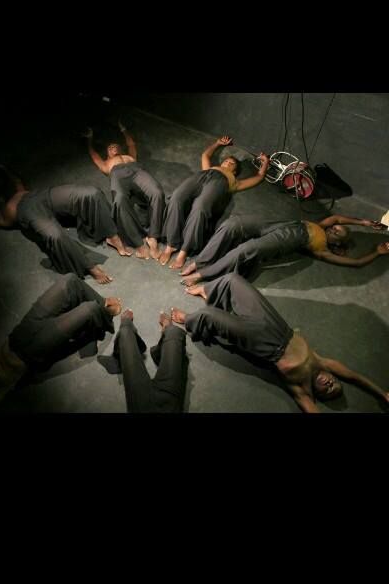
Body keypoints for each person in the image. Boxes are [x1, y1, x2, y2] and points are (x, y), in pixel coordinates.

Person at [171, 273, 389, 414]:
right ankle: (207, 290)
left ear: (317, 394)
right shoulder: (322, 363)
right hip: (278, 326)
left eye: (328, 390)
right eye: (335, 383)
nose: (330, 383)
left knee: (209, 316)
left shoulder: (302, 389)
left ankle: (188, 320)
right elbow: (355, 376)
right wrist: (382, 394)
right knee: (233, 280)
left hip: (264, 342)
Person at [0, 274, 122, 410]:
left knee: (69, 282)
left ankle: (103, 306)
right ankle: (106, 315)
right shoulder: (1, 389)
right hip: (33, 352)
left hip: (20, 333)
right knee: (88, 310)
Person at [0, 161, 128, 284]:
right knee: (55, 236)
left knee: (91, 193)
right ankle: (90, 268)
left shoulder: (19, 191)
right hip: (29, 213)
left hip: (40, 197)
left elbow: (16, 180)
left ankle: (111, 235)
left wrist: (4, 169)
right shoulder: (4, 215)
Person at [179, 213, 389, 287]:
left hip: (296, 237)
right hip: (287, 223)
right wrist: (363, 222)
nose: (333, 227)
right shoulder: (323, 225)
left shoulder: (323, 249)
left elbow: (356, 263)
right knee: (234, 223)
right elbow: (338, 218)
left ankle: (203, 274)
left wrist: (377, 253)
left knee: (247, 249)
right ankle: (200, 261)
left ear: (336, 244)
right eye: (334, 228)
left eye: (336, 232)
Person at [159, 136, 270, 270]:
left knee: (200, 208)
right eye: (226, 161)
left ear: (234, 171)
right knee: (177, 198)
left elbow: (259, 177)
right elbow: (205, 155)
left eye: (231, 164)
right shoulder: (210, 168)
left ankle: (184, 251)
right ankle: (171, 245)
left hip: (220, 183)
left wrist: (265, 162)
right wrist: (217, 143)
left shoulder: (234, 181)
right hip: (201, 177)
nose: (227, 163)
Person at [82, 120, 166, 260]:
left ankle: (153, 238)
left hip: (137, 171)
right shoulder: (106, 163)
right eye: (110, 148)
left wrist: (124, 130)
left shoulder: (130, 157)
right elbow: (94, 154)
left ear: (121, 149)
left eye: (116, 145)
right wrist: (89, 140)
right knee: (119, 201)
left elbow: (131, 144)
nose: (113, 147)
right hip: (117, 174)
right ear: (107, 154)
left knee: (157, 192)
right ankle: (138, 243)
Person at [110, 309, 188, 413]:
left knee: (125, 331)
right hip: (169, 404)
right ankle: (167, 329)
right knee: (174, 332)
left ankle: (126, 323)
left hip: (140, 406)